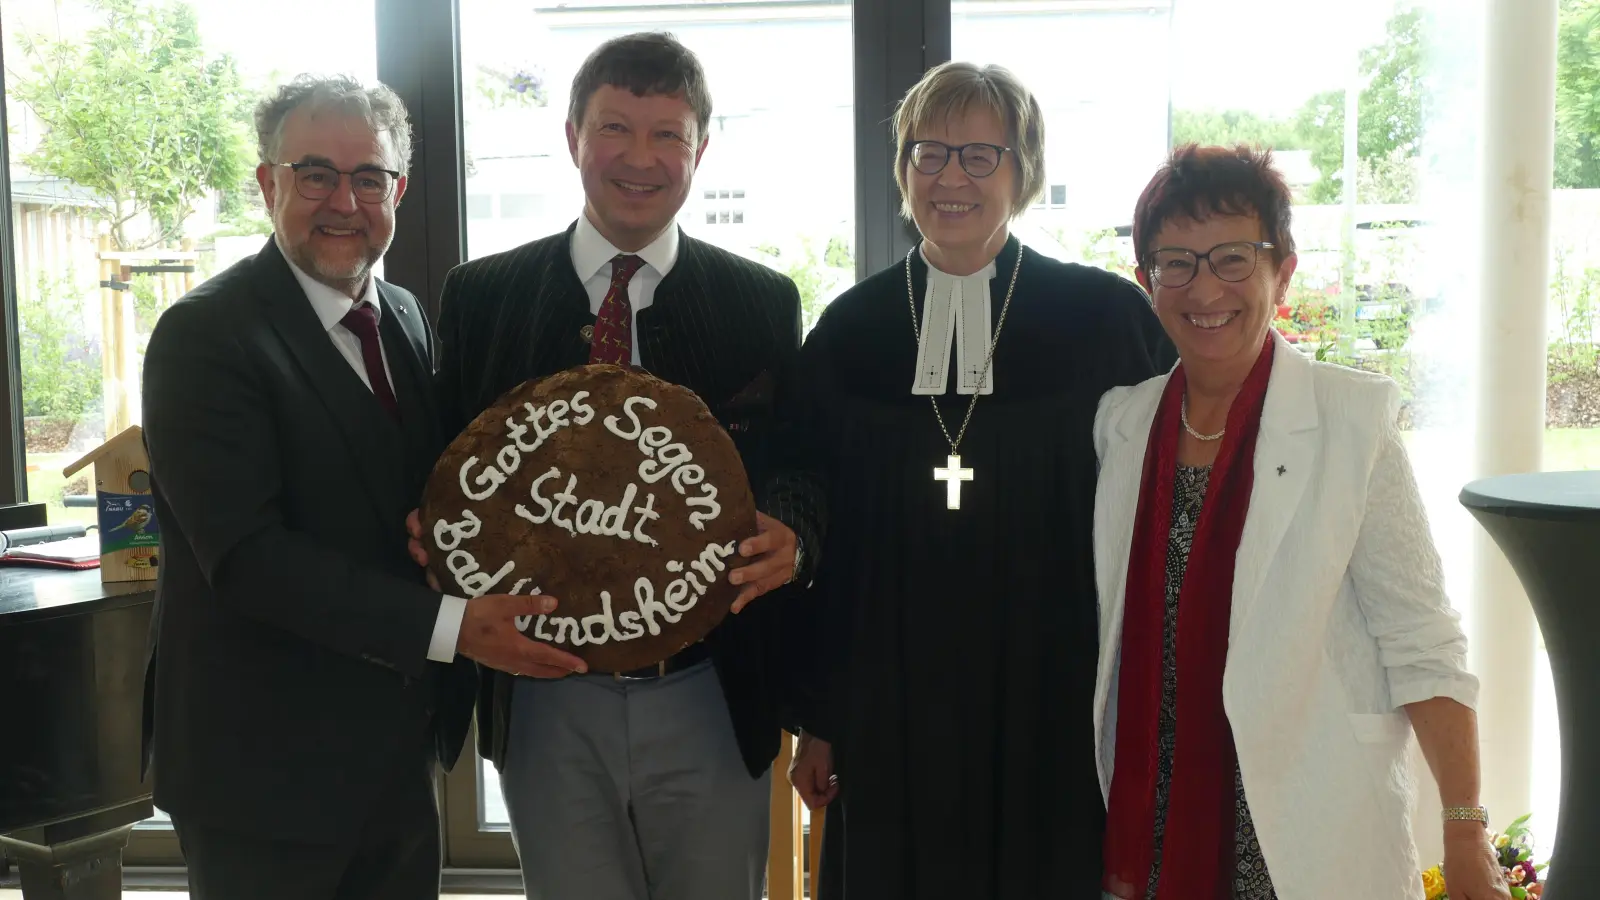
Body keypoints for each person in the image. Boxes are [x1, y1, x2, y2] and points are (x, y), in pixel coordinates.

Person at [406, 32, 823, 900]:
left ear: (700, 149)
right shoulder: (482, 296)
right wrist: (429, 531)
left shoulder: (760, 300)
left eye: (668, 134)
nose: (640, 158)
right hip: (543, 687)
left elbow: (797, 461)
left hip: (712, 685)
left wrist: (797, 532)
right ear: (572, 138)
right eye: (614, 129)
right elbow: (447, 461)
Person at [141, 74, 578, 899]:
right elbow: (247, 558)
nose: (344, 202)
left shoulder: (405, 314)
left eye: (369, 177)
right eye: (315, 174)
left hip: (397, 760)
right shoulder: (204, 336)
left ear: (397, 192)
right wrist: (456, 626)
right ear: (268, 184)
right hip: (260, 777)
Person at [782, 62, 1174, 899]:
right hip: (889, 691)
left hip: (1051, 682)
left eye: (978, 155)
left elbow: (1163, 506)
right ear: (902, 169)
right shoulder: (850, 331)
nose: (949, 177)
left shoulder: (1102, 318)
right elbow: (822, 540)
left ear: (1022, 171)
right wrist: (820, 719)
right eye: (928, 153)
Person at [1092, 145, 1509, 900]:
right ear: (1146, 281)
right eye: (1175, 263)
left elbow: (1421, 639)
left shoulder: (1351, 420)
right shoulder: (1122, 425)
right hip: (1157, 821)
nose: (1204, 288)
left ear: (1282, 272)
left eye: (1232, 258)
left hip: (1306, 822)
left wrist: (1464, 826)